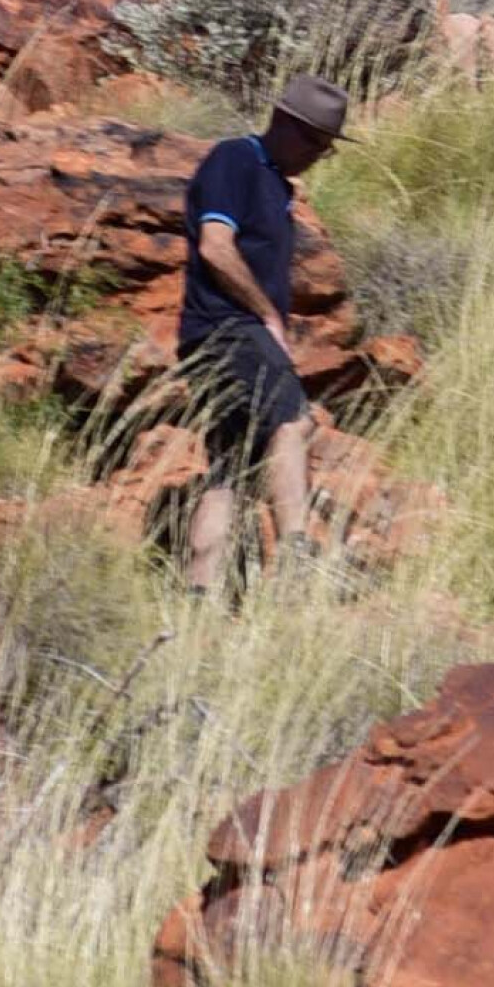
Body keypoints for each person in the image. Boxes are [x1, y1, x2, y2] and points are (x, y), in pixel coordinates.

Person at [175, 67, 350, 594]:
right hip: (227, 329)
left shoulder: (276, 183)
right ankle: (297, 550)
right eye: (317, 143)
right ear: (285, 121)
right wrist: (267, 315)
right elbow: (215, 246)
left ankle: (197, 596)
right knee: (293, 420)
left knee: (227, 470)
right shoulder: (237, 159)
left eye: (327, 148)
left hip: (224, 333)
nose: (319, 155)